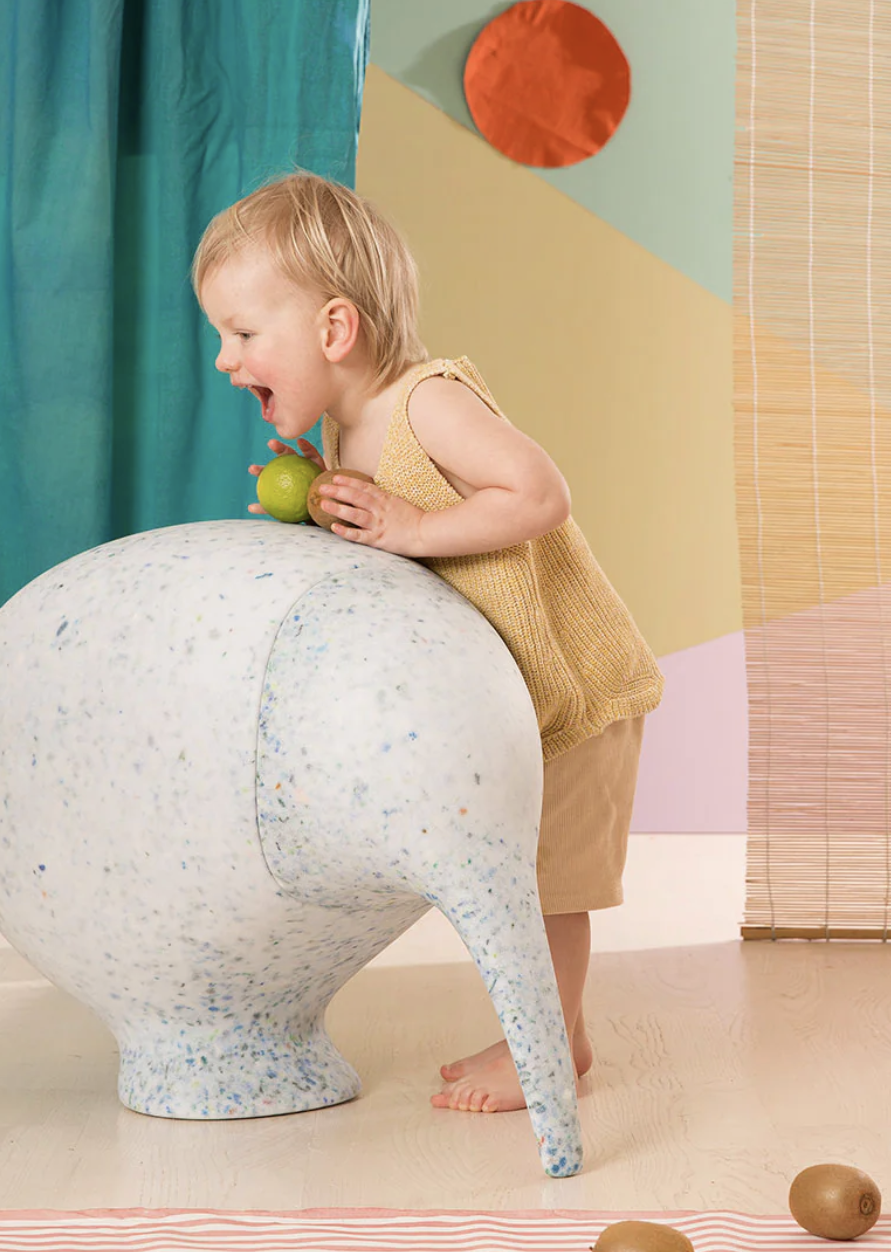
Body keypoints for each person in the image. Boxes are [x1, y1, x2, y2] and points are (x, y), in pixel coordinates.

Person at [192, 171, 664, 1115]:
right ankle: (546, 1030)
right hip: (503, 706)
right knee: (509, 872)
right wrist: (332, 504)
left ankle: (554, 1044)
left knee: (545, 884)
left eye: (243, 335)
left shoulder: (424, 403)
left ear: (333, 331)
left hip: (570, 693)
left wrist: (405, 526)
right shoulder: (347, 424)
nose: (223, 360)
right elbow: (400, 535)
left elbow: (537, 496)